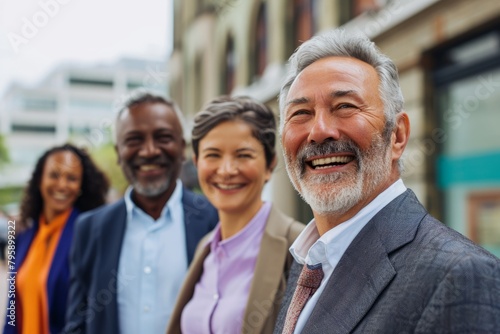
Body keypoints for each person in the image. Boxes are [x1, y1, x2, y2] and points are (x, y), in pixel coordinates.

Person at [273, 29, 500, 334]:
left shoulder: (461, 275)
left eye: (345, 107)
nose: (319, 131)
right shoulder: (309, 261)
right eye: (300, 113)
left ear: (398, 135)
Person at [64, 92, 219, 334]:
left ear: (182, 148)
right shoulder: (90, 229)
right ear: (118, 152)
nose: (148, 151)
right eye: (134, 140)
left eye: (163, 137)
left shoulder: (216, 220)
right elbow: (77, 322)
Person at [167, 96, 304, 334]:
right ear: (197, 162)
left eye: (243, 155)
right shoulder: (206, 247)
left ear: (270, 165)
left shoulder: (301, 248)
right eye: (213, 155)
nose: (227, 170)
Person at [3, 144, 109, 334]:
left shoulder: (88, 235)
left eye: (72, 178)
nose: (62, 185)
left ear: (81, 187)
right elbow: (12, 307)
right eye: (54, 175)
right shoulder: (23, 235)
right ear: (39, 180)